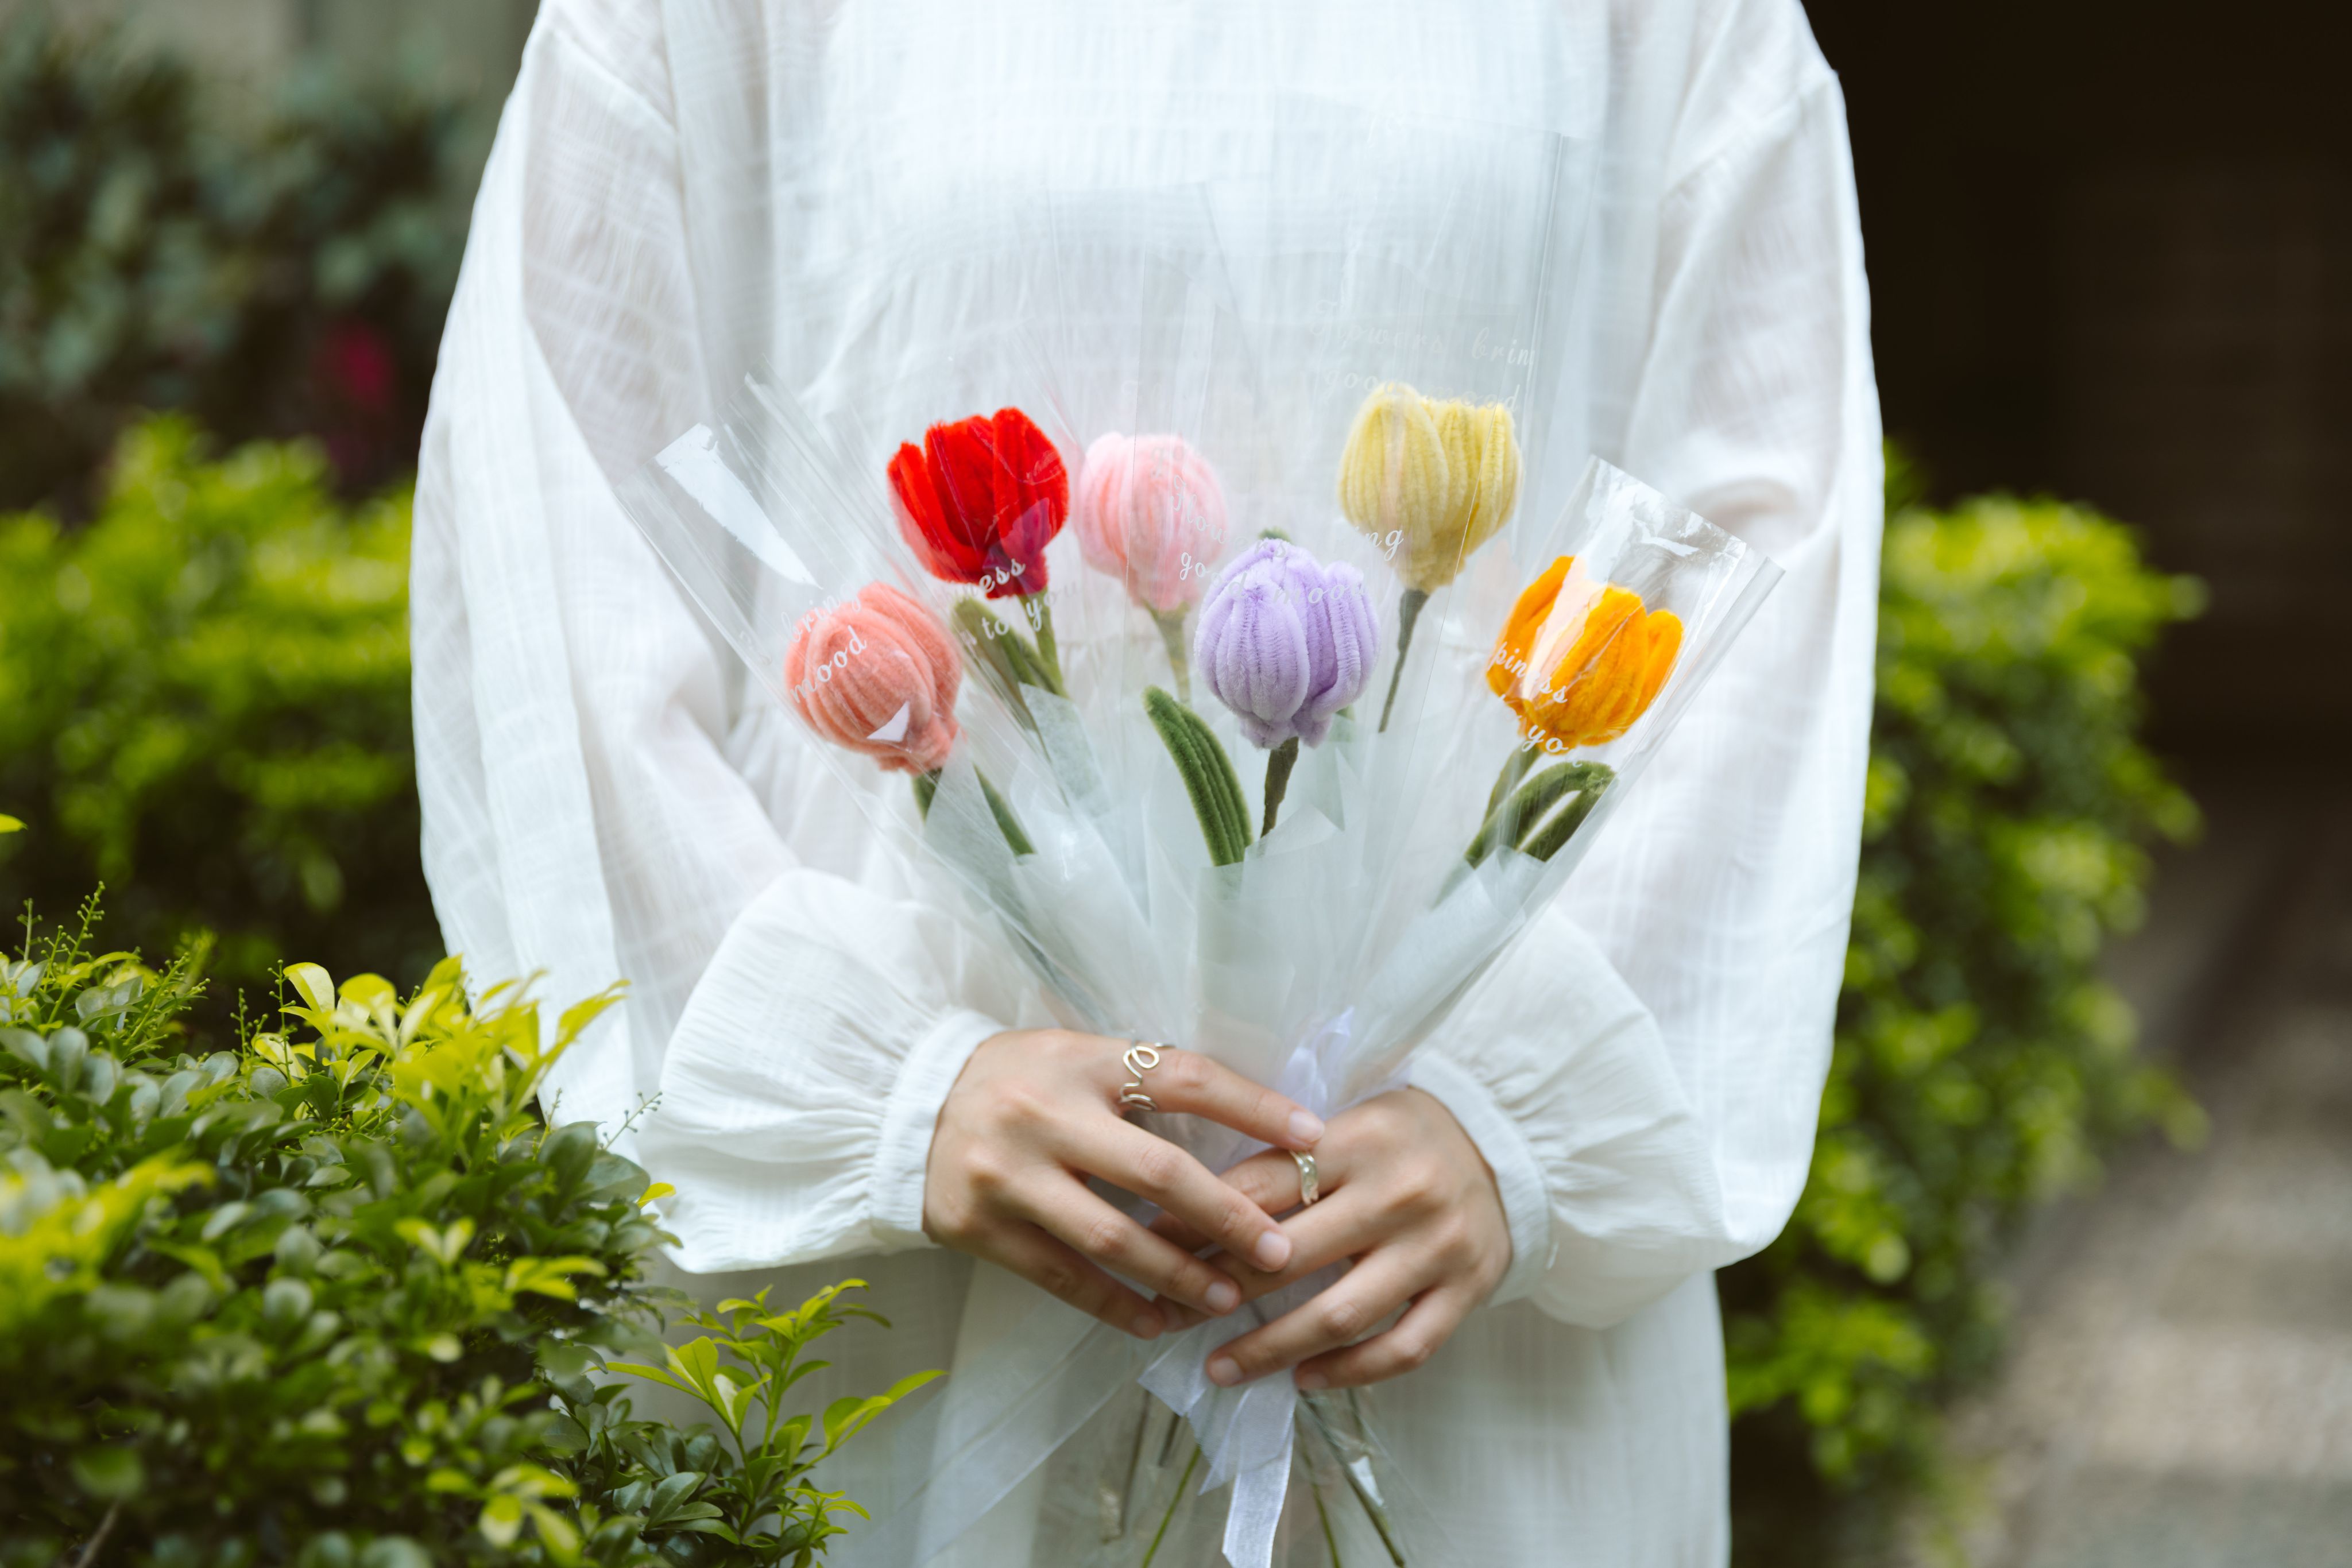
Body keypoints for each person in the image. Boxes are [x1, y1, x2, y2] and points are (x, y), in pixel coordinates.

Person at [412, 0, 1881, 1560]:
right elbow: (558, 515)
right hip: (885, 1258)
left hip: (1446, 1281)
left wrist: (1519, 1114)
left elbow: (1766, 533)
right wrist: (885, 1083)